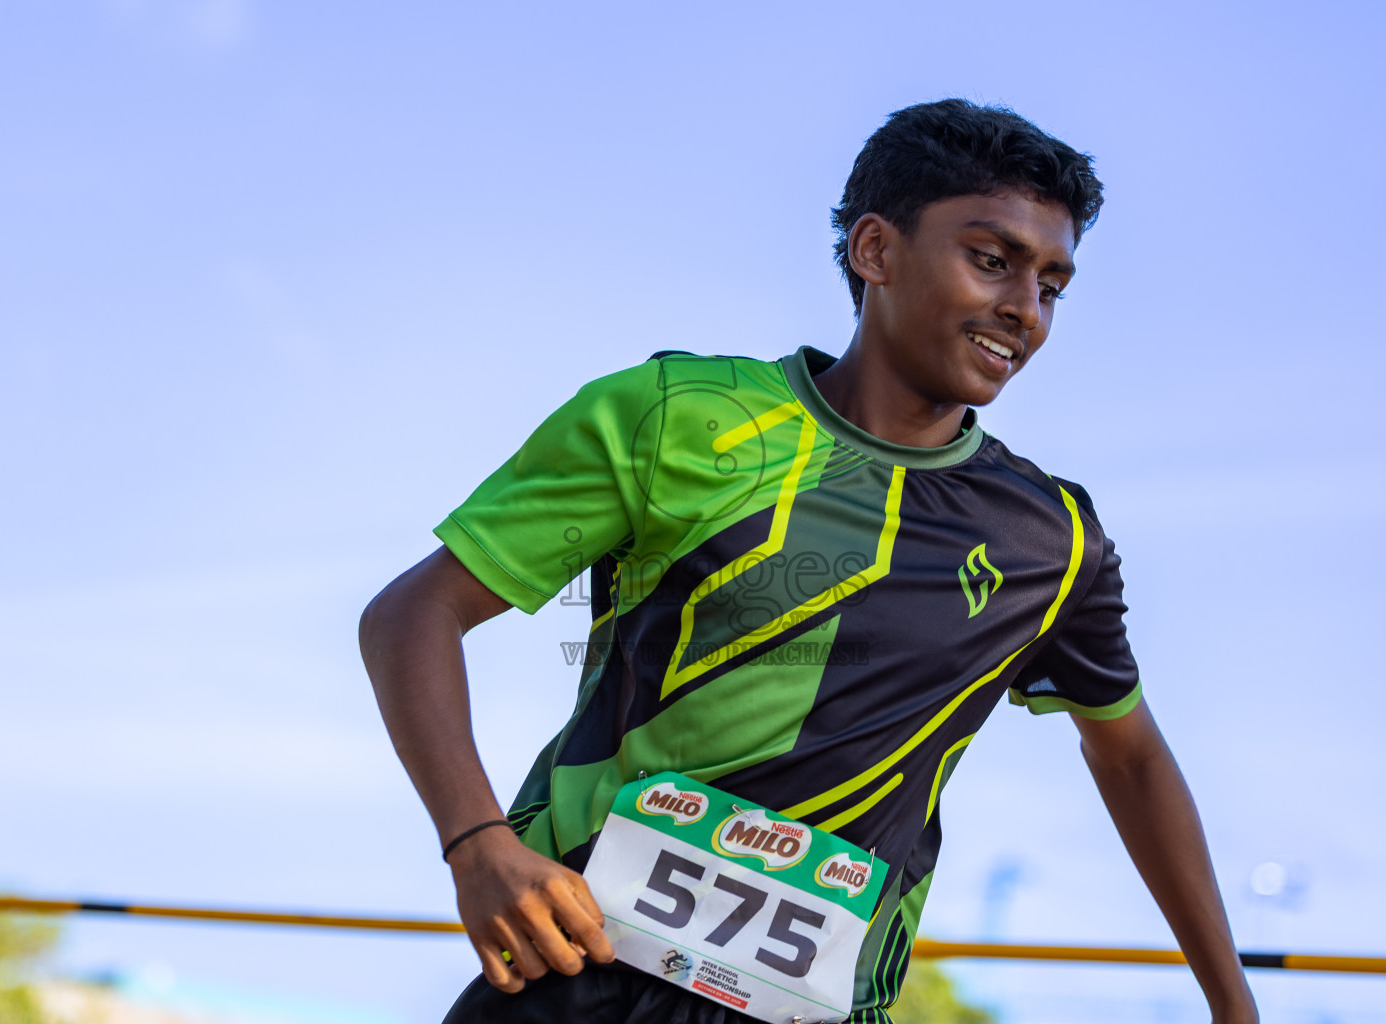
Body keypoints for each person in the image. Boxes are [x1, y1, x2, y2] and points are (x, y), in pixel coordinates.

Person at [360, 99, 1259, 1024]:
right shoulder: (677, 414)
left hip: (815, 1012)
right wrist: (476, 845)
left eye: (1053, 285)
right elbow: (413, 614)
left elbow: (1134, 757)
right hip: (573, 979)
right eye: (991, 261)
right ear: (876, 251)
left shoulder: (1053, 541)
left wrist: (1235, 1008)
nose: (1024, 311)